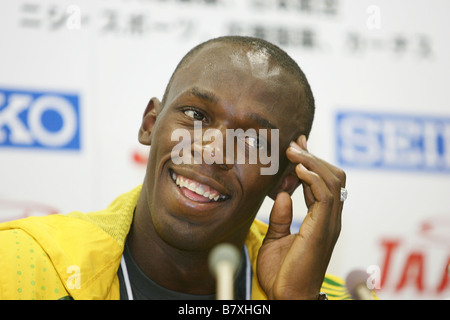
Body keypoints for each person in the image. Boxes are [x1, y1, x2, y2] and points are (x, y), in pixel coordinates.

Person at [0, 36, 349, 300]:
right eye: (196, 116)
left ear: (286, 179)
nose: (212, 151)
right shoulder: (21, 264)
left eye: (254, 142)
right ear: (151, 123)